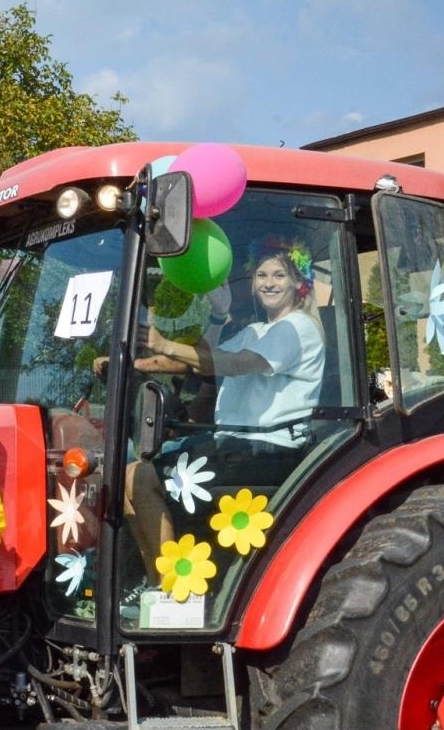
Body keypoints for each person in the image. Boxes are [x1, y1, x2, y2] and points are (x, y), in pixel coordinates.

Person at [121, 247, 327, 587]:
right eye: (262, 275)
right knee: (129, 475)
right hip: (235, 444)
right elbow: (203, 359)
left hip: (268, 448)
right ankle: (157, 584)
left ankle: (174, 590)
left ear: (297, 284)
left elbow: (238, 364)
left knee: (143, 477)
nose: (268, 283)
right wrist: (218, 315)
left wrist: (166, 345)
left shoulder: (298, 328)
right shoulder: (257, 330)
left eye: (279, 275)